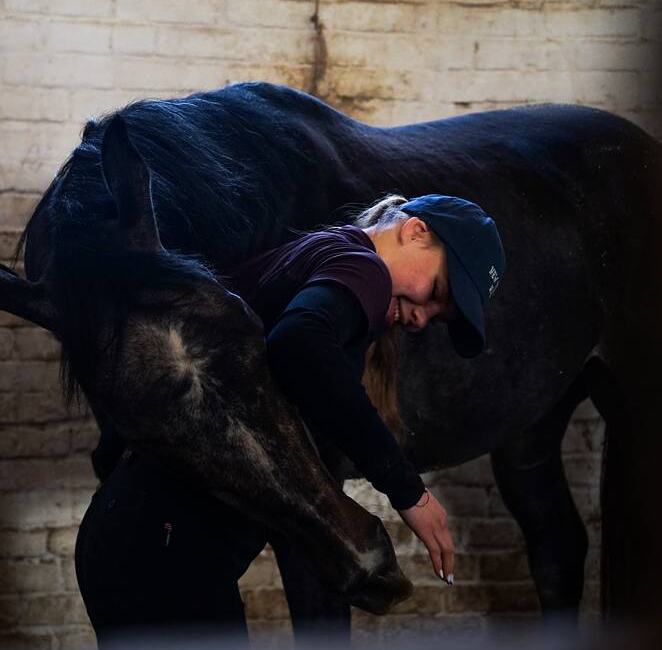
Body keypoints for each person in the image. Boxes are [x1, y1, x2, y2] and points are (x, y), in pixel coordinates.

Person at [74, 193, 506, 646]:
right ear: (414, 231)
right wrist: (408, 491)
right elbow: (299, 342)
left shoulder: (327, 253)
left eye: (437, 318)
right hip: (167, 552)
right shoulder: (366, 268)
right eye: (435, 292)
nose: (421, 317)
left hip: (145, 541)